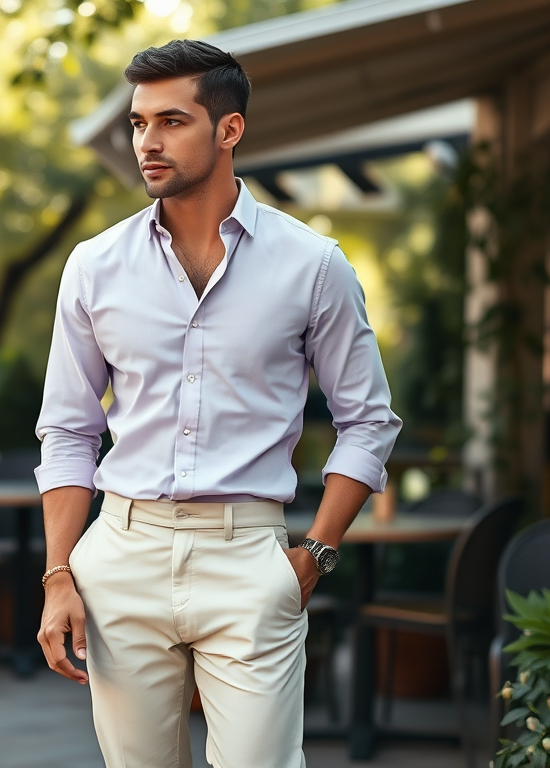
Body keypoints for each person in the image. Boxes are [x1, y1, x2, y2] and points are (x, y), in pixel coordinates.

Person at [34, 39, 402, 768]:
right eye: (139, 124)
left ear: (228, 130)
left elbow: (368, 421)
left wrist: (315, 554)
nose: (148, 142)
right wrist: (58, 575)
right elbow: (69, 431)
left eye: (171, 121)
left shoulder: (313, 266)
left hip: (250, 558)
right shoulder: (95, 266)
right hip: (123, 552)